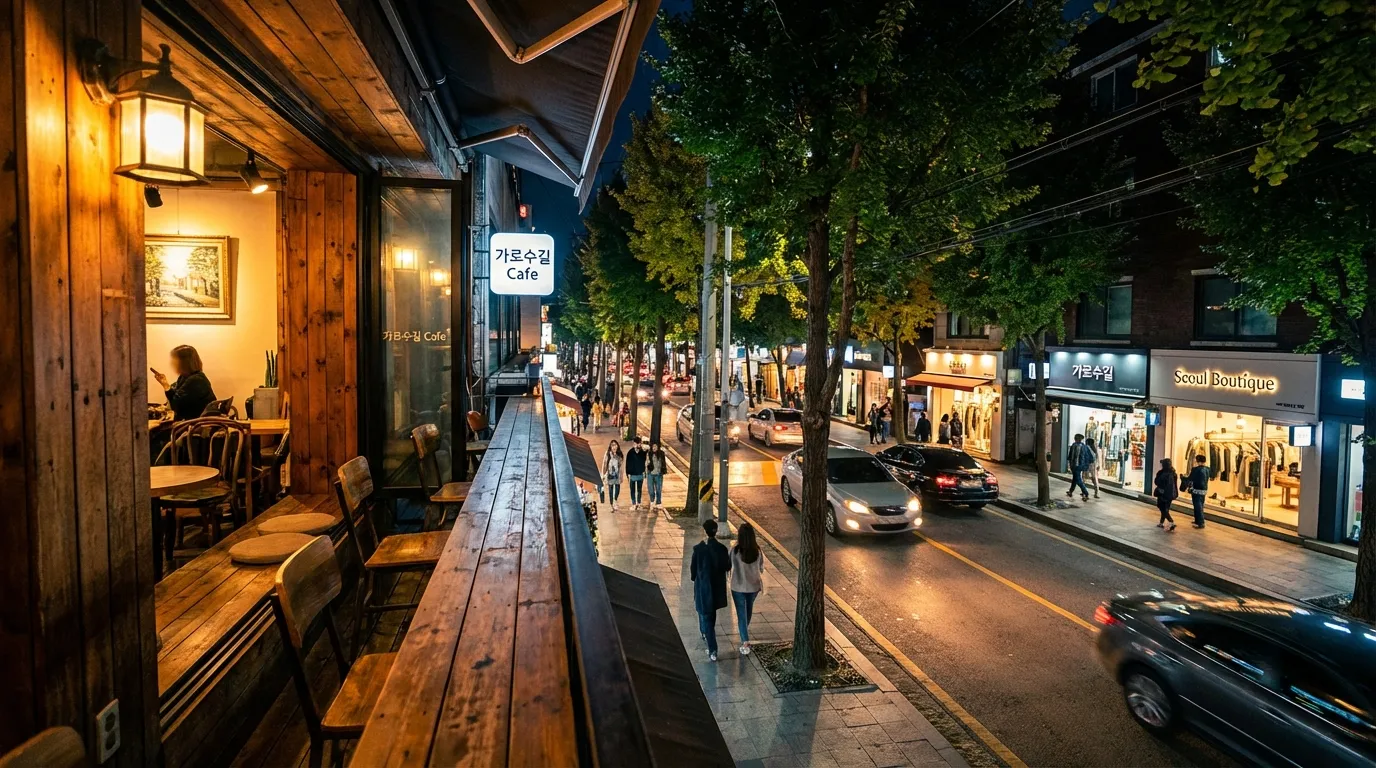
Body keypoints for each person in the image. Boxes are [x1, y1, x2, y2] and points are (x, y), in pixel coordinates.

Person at [690, 519, 731, 662]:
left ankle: (712, 648)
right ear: (716, 531)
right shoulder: (722, 549)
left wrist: (695, 577)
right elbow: (727, 566)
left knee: (705, 615)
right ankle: (706, 633)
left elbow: (693, 571)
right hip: (717, 589)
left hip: (703, 588)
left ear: (704, 531)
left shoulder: (699, 549)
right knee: (711, 615)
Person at [152, 345, 217, 421]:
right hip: (190, 420)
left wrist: (166, 385)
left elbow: (176, 405)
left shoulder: (196, 380)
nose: (172, 363)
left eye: (174, 359)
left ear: (184, 362)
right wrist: (165, 383)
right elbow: (176, 396)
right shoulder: (184, 377)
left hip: (198, 423)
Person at [730, 522, 765, 656]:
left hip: (738, 587)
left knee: (741, 613)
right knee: (748, 610)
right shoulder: (757, 551)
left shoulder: (735, 551)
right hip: (753, 586)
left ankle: (745, 641)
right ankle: (744, 631)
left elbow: (728, 565)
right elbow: (761, 568)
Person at [1153, 458, 1179, 531]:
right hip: (1170, 494)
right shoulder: (1173, 473)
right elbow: (1175, 484)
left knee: (1162, 507)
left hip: (1162, 493)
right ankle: (1161, 523)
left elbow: (1157, 482)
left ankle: (1171, 522)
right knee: (1165, 508)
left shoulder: (1162, 473)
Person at [1184, 454, 1209, 529]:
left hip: (1196, 489)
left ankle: (1200, 522)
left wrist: (1184, 478)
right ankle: (1197, 521)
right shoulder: (1207, 469)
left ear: (1198, 461)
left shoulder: (1195, 469)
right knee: (1200, 505)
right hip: (1204, 489)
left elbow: (1190, 478)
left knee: (1197, 506)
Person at [1066, 434, 1091, 501]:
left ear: (1076, 439)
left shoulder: (1075, 446)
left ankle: (1086, 493)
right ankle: (1070, 491)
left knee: (1078, 480)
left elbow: (1071, 456)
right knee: (1075, 479)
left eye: (1075, 438)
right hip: (1080, 465)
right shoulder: (1084, 446)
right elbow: (1086, 457)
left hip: (1076, 466)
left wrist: (1070, 465)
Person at [625, 437, 647, 511]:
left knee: (639, 490)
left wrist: (644, 472)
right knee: (632, 490)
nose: (638, 445)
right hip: (632, 474)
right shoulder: (630, 452)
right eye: (637, 443)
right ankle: (634, 503)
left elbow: (645, 461)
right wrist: (627, 474)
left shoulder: (642, 452)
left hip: (640, 473)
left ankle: (639, 503)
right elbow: (627, 464)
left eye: (639, 443)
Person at [602, 440, 624, 511]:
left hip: (617, 474)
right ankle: (611, 504)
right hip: (610, 474)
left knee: (617, 488)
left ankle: (615, 500)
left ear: (617, 446)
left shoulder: (619, 454)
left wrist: (616, 455)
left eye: (615, 445)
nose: (614, 447)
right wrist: (603, 474)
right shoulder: (607, 454)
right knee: (610, 489)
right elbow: (604, 464)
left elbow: (621, 464)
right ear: (610, 447)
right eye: (612, 445)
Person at [646, 441, 667, 511]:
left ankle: (658, 502)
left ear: (658, 447)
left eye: (655, 446)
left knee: (658, 489)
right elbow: (646, 463)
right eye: (653, 446)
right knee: (651, 490)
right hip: (650, 474)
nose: (654, 448)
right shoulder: (649, 453)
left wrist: (663, 471)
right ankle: (652, 502)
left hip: (658, 474)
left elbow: (663, 463)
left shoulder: (661, 454)